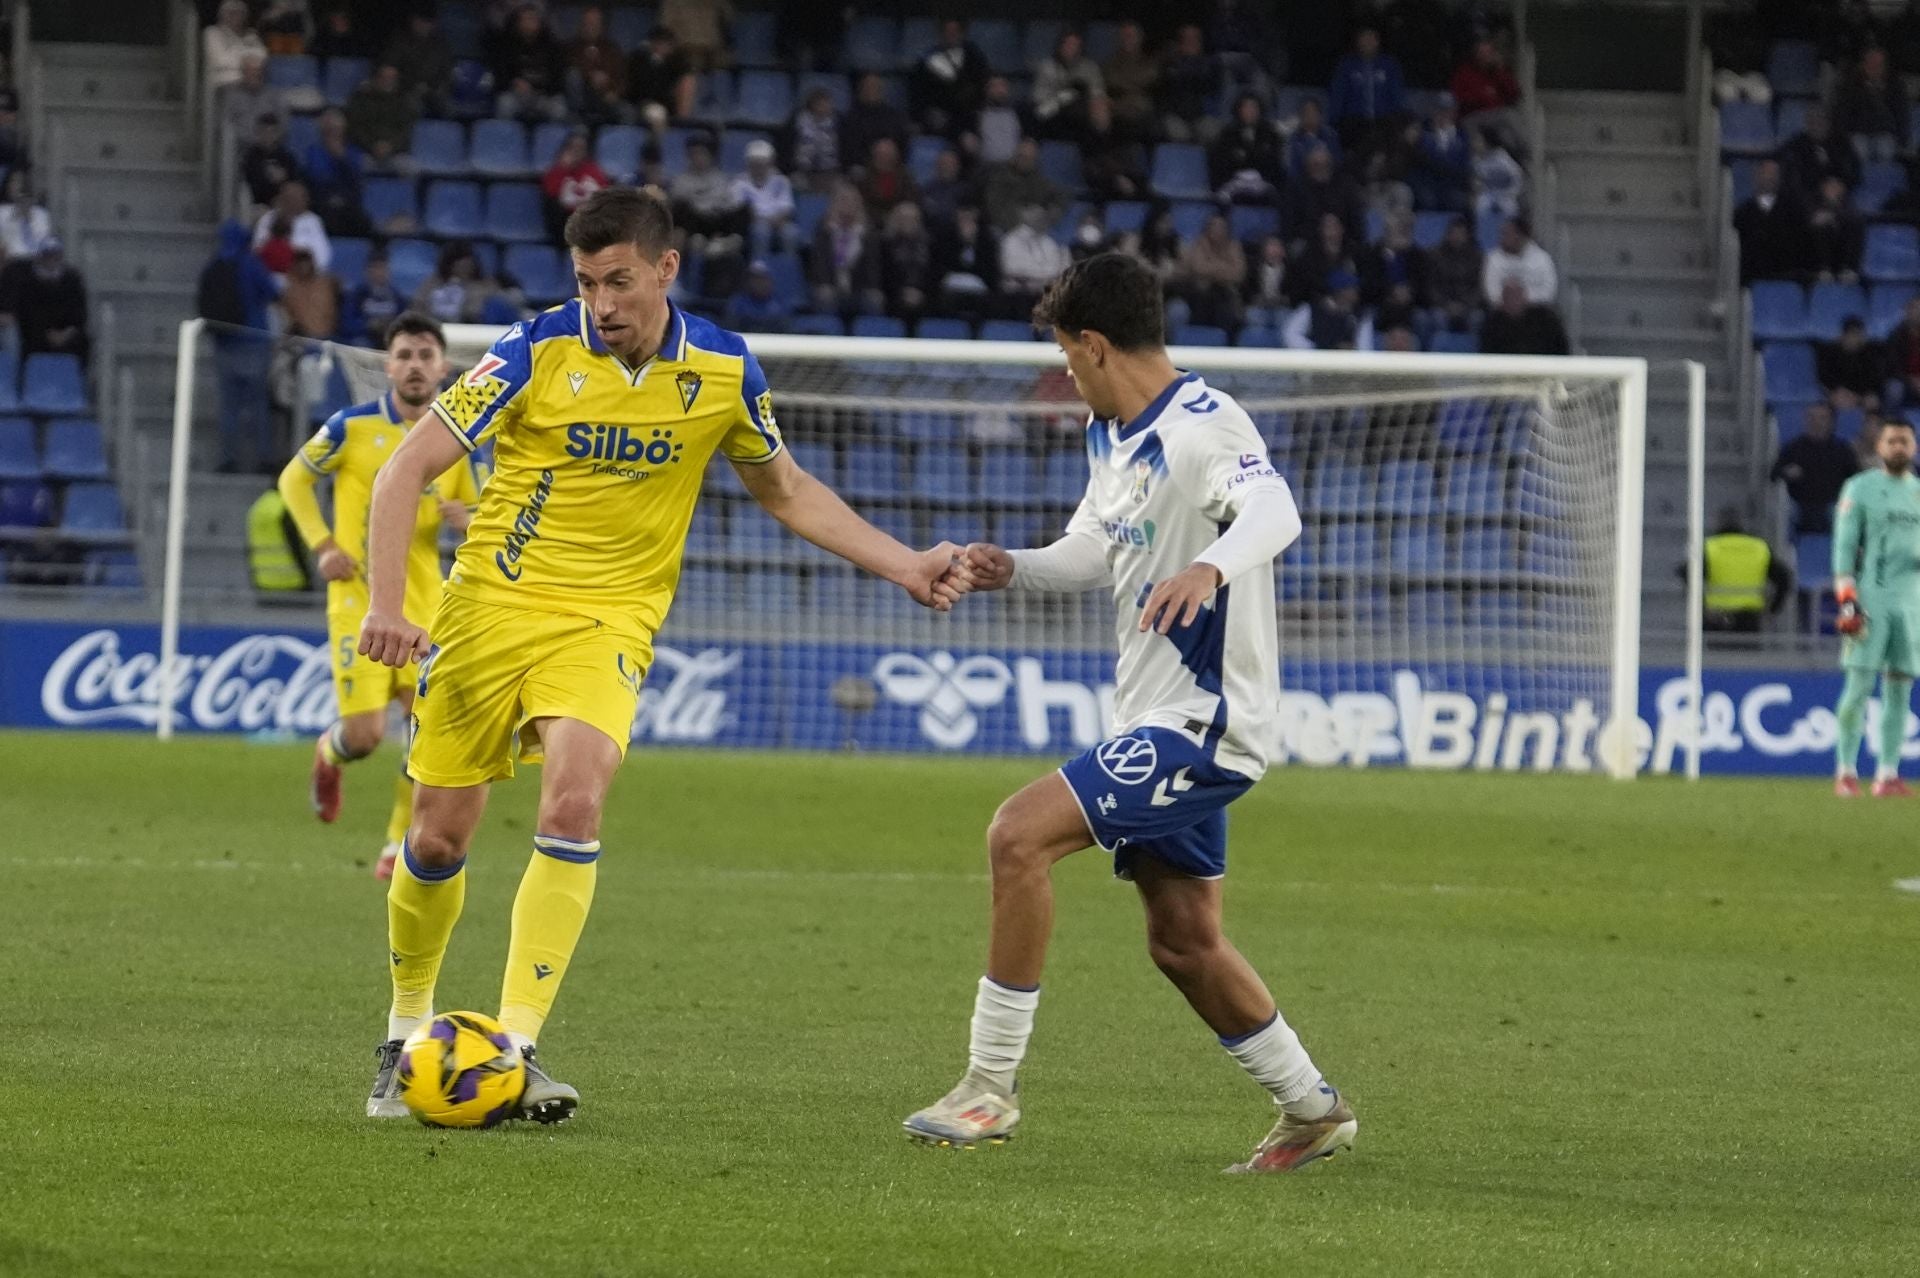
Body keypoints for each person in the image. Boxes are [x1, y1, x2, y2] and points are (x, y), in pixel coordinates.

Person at [353, 186, 966, 1123]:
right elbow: (406, 469)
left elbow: (787, 489)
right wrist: (389, 608)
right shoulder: (531, 351)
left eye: (621, 281)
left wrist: (905, 565)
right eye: (589, 282)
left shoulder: (721, 370)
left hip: (609, 621)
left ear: (666, 269)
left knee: (576, 794)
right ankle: (404, 1031)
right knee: (437, 838)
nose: (603, 304)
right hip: (488, 611)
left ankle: (514, 1047)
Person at [901, 252, 1354, 1174]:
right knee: (1184, 941)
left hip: (1203, 723)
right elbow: (1097, 547)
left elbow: (1277, 511)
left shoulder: (1202, 427)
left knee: (1017, 837)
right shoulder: (1111, 435)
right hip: (1151, 713)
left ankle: (988, 1088)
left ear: (1097, 345)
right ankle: (1312, 1110)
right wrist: (1012, 566)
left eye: (1068, 356)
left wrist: (1211, 565)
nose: (1066, 374)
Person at [279, 313, 479, 880]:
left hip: (430, 606)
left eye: (425, 355)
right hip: (357, 603)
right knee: (366, 736)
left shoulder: (459, 444)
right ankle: (330, 752)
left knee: (427, 733)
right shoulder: (350, 428)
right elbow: (293, 479)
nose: (415, 366)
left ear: (443, 367)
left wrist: (469, 518)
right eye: (405, 355)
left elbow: (487, 512)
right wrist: (322, 544)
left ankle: (397, 845)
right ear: (387, 366)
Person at [1831, 418, 1920, 796]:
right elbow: (1845, 545)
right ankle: (1846, 770)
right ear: (1879, 447)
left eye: (1904, 440)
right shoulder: (1861, 488)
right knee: (1860, 685)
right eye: (1891, 441)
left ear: (1913, 446)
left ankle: (1886, 773)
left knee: (1900, 688)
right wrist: (1847, 597)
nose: (1898, 447)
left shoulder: (1918, 492)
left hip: (1912, 605)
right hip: (1872, 600)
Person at [199, 220, 281, 473]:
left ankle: (228, 458)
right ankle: (263, 458)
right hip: (254, 341)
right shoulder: (251, 265)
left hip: (224, 343)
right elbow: (272, 292)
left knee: (229, 406)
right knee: (257, 403)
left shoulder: (213, 266)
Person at [1698, 508, 1791, 635]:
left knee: (1717, 654)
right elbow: (1784, 579)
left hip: (1716, 617)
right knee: (1747, 653)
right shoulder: (1759, 547)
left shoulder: (1709, 547)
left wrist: (1700, 606)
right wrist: (1773, 609)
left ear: (1719, 524)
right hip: (1750, 618)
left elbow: (1687, 575)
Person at [1772, 402, 1859, 534]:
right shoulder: (1793, 448)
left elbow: (1856, 479)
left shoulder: (1842, 450)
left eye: (1822, 418)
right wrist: (1786, 473)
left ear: (1831, 422)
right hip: (1800, 505)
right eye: (1812, 418)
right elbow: (1774, 475)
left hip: (1832, 505)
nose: (1816, 422)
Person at [1327, 25, 1406, 159]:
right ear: (1358, 41)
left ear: (1378, 41)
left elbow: (1397, 96)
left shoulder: (1389, 65)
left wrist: (1399, 122)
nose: (1368, 42)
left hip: (1382, 123)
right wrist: (1335, 123)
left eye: (1372, 38)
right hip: (1354, 123)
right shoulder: (1347, 65)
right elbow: (1338, 96)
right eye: (1364, 38)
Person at [9, 238, 89, 362]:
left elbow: (79, 313)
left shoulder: (72, 280)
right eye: (47, 255)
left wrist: (66, 333)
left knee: (83, 341)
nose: (51, 259)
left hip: (66, 335)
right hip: (35, 336)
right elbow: (26, 313)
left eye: (55, 255)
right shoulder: (28, 282)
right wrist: (46, 333)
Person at [809, 181, 882, 316]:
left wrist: (871, 287)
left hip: (858, 288)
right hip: (831, 285)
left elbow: (872, 266)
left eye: (852, 201)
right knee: (825, 297)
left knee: (874, 299)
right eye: (843, 201)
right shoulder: (824, 230)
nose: (847, 205)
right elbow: (819, 263)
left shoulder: (867, 233)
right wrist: (825, 283)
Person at [1733, 160, 1810, 285]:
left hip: (1786, 276)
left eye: (1773, 174)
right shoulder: (1742, 213)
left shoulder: (1793, 212)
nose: (1769, 177)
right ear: (1756, 176)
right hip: (1751, 278)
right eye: (1765, 173)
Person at [910, 19, 989, 138]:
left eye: (955, 31)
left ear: (962, 34)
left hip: (966, 116)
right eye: (948, 31)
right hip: (937, 116)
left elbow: (980, 85)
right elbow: (918, 92)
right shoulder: (928, 60)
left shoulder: (973, 56)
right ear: (942, 34)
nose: (951, 34)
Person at [302, 109, 371, 238]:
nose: (333, 134)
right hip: (322, 202)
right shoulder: (314, 152)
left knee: (364, 223)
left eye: (336, 129)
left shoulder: (353, 152)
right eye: (329, 130)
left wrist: (341, 158)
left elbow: (355, 180)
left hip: (348, 203)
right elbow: (318, 178)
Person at [492, 3, 567, 122]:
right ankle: (506, 139)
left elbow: (558, 78)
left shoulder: (551, 46)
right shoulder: (508, 46)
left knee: (559, 108)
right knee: (504, 103)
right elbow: (502, 75)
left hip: (543, 96)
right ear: (518, 23)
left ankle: (553, 139)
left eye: (533, 19)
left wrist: (542, 88)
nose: (530, 23)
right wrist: (515, 82)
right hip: (518, 96)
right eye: (526, 19)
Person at [1833, 47, 1908, 162]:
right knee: (1859, 151)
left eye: (1878, 64)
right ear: (1863, 64)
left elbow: (1901, 113)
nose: (1874, 68)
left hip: (1885, 132)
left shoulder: (1895, 86)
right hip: (1858, 132)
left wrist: (1902, 139)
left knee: (1885, 151)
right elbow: (1843, 112)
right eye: (1871, 63)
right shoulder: (1850, 85)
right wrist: (1843, 137)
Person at [1176, 212, 1247, 330]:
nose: (1218, 230)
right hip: (1200, 295)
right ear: (1207, 228)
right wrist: (1224, 267)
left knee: (1228, 303)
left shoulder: (1234, 246)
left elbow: (1238, 273)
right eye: (1214, 226)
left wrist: (1211, 268)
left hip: (1226, 294)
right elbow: (1198, 268)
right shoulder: (1199, 243)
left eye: (1221, 227)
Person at [998, 204, 1072, 317]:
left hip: (1046, 295)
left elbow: (1059, 271)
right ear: (1023, 213)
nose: (1038, 213)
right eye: (1033, 209)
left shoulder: (1049, 242)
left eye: (1041, 209)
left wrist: (1042, 278)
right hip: (1019, 297)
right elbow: (1012, 269)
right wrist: (1044, 277)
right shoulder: (1011, 239)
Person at [1031, 30, 1105, 143]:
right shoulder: (1047, 67)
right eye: (1068, 44)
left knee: (1099, 110)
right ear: (1060, 46)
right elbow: (1039, 101)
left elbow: (1097, 93)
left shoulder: (1090, 68)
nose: (1071, 48)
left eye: (1075, 45)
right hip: (1055, 114)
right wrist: (1065, 96)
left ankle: (1099, 152)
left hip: (1083, 113)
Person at [1209, 94, 1284, 204]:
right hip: (1233, 183)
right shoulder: (1228, 134)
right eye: (1246, 107)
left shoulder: (1270, 134)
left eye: (1254, 107)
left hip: (1263, 184)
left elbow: (1274, 163)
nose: (1250, 111)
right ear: (1239, 110)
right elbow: (1219, 162)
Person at [541, 130, 611, 242]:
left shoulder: (593, 170)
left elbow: (602, 194)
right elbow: (551, 192)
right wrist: (562, 169)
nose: (576, 152)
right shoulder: (556, 171)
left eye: (580, 148)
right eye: (572, 147)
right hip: (563, 222)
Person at [345, 64, 418, 170]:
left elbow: (405, 131)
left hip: (395, 153)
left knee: (410, 167)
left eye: (391, 78)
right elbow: (355, 129)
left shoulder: (403, 103)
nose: (387, 81)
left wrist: (390, 146)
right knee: (357, 164)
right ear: (375, 78)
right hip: (365, 151)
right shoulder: (360, 100)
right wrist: (372, 146)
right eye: (383, 77)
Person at [984, 138, 1065, 234]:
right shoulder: (999, 175)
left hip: (1035, 229)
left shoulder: (1037, 177)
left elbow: (1060, 193)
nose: (1024, 161)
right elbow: (994, 208)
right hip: (1007, 229)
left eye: (1030, 159)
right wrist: (1021, 216)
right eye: (1021, 156)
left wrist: (1054, 210)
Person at [253, 181, 332, 273]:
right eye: (290, 199)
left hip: (306, 273)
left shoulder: (313, 220)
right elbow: (258, 247)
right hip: (271, 272)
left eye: (299, 198)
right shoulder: (268, 219)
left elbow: (323, 254)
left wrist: (301, 256)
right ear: (282, 199)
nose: (295, 202)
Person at [626, 24, 695, 125]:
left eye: (667, 43)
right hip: (643, 104)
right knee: (656, 113)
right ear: (652, 43)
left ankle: (681, 123)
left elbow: (686, 75)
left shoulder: (675, 64)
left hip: (667, 107)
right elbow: (639, 90)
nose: (663, 47)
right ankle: (655, 140)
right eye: (660, 42)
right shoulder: (639, 61)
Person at [1102, 20, 1158, 141]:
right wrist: (1135, 85)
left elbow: (1149, 79)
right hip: (1117, 110)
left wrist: (1125, 84)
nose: (1127, 39)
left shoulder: (1149, 62)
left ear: (1140, 38)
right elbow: (1111, 81)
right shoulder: (1110, 63)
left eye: (1131, 35)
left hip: (1141, 113)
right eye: (1124, 35)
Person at [1479, 280, 1569, 355]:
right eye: (1509, 296)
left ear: (1524, 296)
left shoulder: (1546, 320)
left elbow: (1560, 348)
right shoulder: (1493, 324)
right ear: (1502, 299)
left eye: (1517, 295)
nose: (1513, 300)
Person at [1482, 217, 1555, 307]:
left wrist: (1523, 297)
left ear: (1520, 236)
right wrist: (1511, 301)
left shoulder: (1542, 259)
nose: (1501, 238)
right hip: (1503, 311)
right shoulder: (1493, 258)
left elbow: (1548, 293)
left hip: (1535, 310)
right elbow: (1491, 293)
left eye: (1506, 234)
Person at [1429, 213, 1483, 329]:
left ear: (1467, 236)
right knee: (1436, 317)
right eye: (1453, 233)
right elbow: (1431, 286)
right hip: (1442, 306)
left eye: (1460, 234)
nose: (1456, 237)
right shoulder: (1435, 255)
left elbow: (1479, 287)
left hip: (1468, 306)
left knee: (1477, 318)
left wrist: (1465, 305)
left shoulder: (1477, 257)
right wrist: (1446, 305)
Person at [1806, 176, 1865, 281]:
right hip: (1816, 263)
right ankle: (1823, 269)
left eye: (1836, 186)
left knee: (1853, 224)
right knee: (1819, 227)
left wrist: (1833, 215)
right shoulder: (1811, 204)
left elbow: (1854, 219)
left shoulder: (1849, 206)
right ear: (1823, 188)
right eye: (1830, 186)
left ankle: (1848, 269)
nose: (1833, 190)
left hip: (1842, 259)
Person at [342, 249, 404, 346]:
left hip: (389, 337)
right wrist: (368, 325)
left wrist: (390, 325)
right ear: (367, 271)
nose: (379, 272)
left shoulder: (396, 296)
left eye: (382, 268)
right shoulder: (357, 295)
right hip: (364, 338)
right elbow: (347, 324)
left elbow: (404, 321)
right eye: (375, 268)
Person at [786, 87, 843, 192]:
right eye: (820, 104)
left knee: (840, 188)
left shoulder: (839, 122)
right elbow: (787, 146)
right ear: (812, 105)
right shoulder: (797, 121)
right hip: (802, 170)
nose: (825, 107)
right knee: (795, 184)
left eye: (827, 103)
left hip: (830, 171)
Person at [205, 0, 268, 92]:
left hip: (253, 83)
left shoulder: (251, 35)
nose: (235, 16)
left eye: (240, 13)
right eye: (231, 13)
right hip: (223, 83)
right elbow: (220, 61)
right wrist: (248, 58)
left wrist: (236, 54)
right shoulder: (212, 33)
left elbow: (263, 57)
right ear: (222, 15)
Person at [278, 247, 340, 340]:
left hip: (329, 336)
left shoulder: (326, 283)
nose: (304, 267)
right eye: (300, 264)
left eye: (306, 263)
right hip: (303, 338)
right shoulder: (291, 290)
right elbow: (288, 317)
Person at [724, 258, 792, 332]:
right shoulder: (737, 304)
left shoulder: (781, 304)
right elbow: (730, 332)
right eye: (755, 278)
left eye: (763, 278)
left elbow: (787, 332)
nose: (759, 283)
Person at [0, 171, 54, 261]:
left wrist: (29, 218)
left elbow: (44, 240)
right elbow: (3, 239)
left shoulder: (41, 214)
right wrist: (15, 217)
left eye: (27, 198)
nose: (24, 202)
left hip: (35, 261)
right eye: (20, 198)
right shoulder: (2, 212)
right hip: (10, 260)